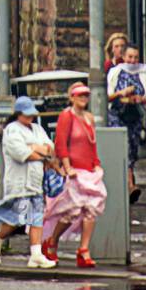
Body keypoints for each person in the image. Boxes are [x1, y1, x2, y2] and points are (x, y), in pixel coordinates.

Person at [0, 96, 56, 268]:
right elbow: (21, 154)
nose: (30, 118)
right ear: (18, 114)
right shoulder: (12, 130)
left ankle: (36, 254)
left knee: (37, 217)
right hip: (19, 182)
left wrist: (36, 148)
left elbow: (50, 149)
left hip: (36, 181)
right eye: (26, 114)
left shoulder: (37, 129)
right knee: (18, 217)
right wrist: (40, 152)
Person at [42, 82, 108, 268]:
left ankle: (84, 249)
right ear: (71, 97)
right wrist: (67, 167)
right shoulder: (66, 116)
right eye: (79, 95)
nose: (83, 98)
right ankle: (52, 240)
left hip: (89, 170)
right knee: (72, 210)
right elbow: (61, 143)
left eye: (86, 95)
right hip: (74, 171)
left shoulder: (89, 117)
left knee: (91, 209)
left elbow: (92, 144)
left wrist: (96, 164)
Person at [107, 44, 146, 204]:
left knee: (132, 151)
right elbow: (107, 96)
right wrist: (121, 94)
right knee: (123, 148)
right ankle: (129, 185)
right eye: (130, 57)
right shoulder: (116, 71)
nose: (133, 61)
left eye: (136, 57)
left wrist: (142, 100)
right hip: (118, 114)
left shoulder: (144, 72)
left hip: (134, 115)